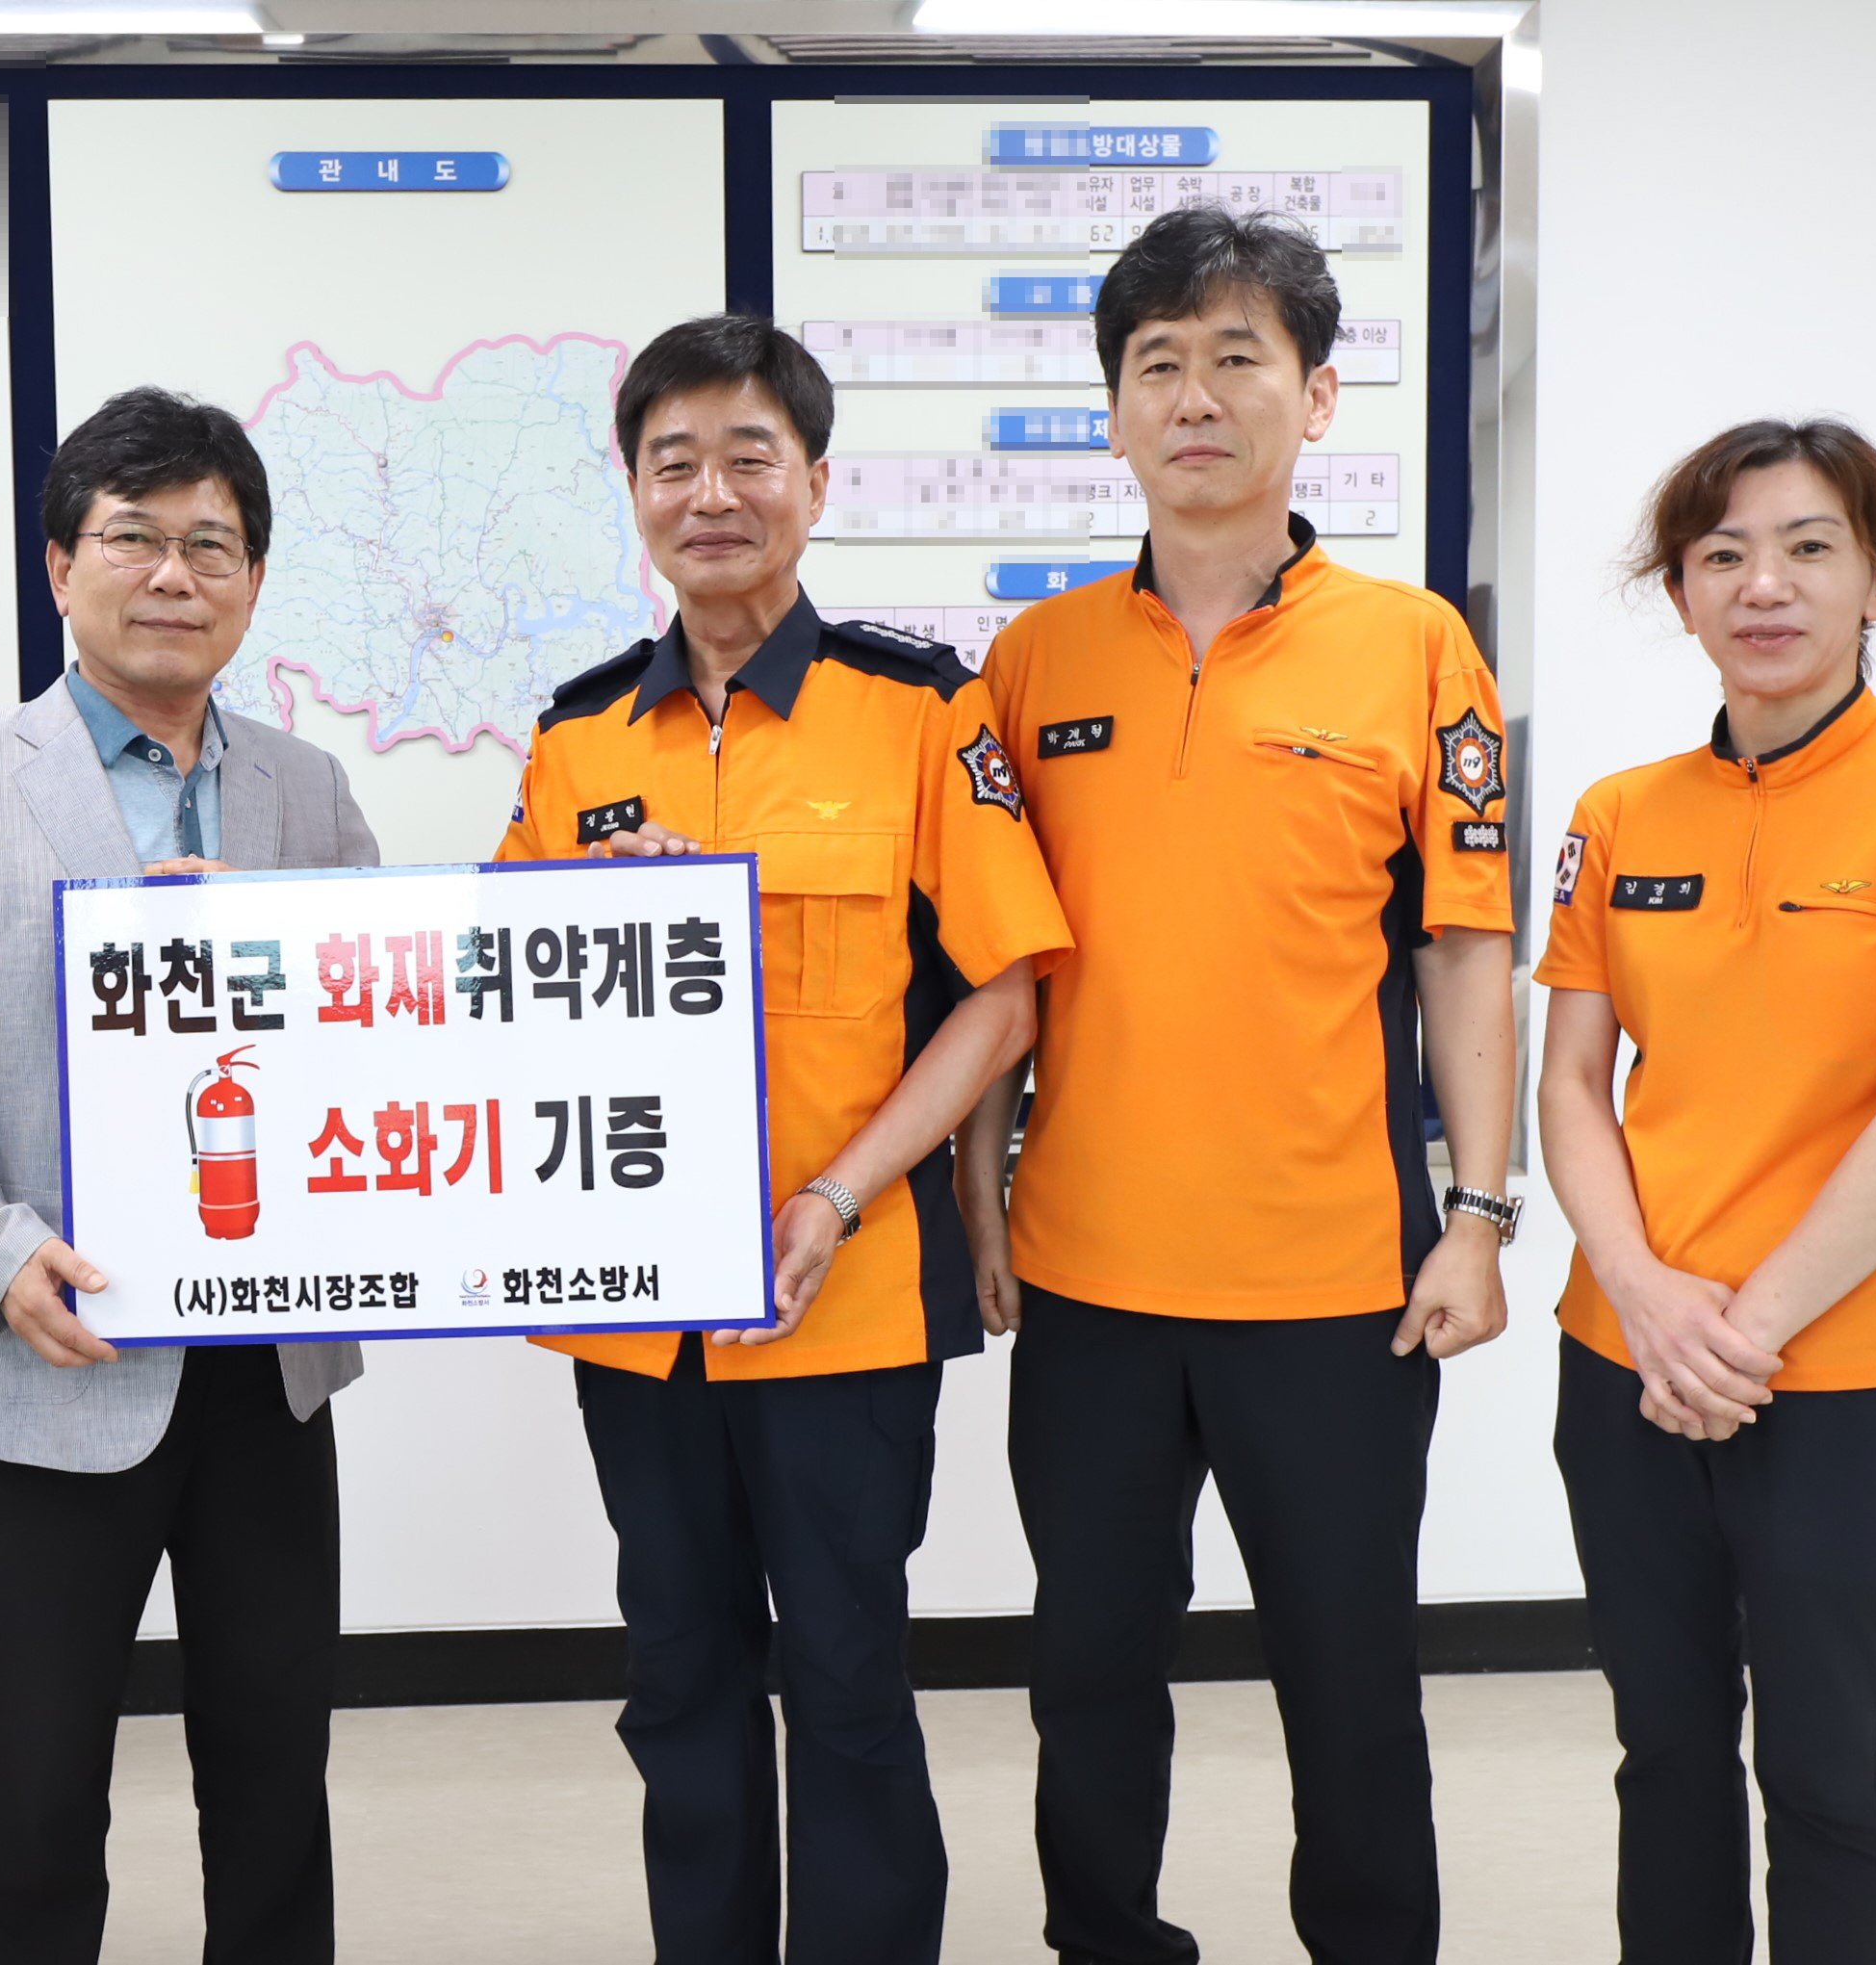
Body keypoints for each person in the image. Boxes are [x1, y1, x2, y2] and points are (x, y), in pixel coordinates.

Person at [958, 204, 1521, 1965]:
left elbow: (1465, 951)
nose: (1193, 397)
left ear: (1315, 394)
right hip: (1089, 1279)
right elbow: (998, 970)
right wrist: (978, 1197)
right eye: (1157, 365)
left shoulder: (1415, 648)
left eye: (1234, 358)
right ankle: (1102, 1940)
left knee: (1349, 1684)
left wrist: (1479, 1213)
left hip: (1335, 1282)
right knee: (1085, 1675)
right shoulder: (1031, 663)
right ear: (1114, 412)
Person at [496, 314, 1073, 1965]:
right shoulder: (578, 739)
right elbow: (487, 991)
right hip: (635, 1310)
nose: (710, 493)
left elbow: (1001, 998)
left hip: (848, 1291)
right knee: (675, 1668)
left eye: (749, 456)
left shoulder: (918, 710)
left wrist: (835, 1191)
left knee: (845, 1669)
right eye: (671, 460)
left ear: (815, 484)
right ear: (632, 490)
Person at [0, 386, 378, 1965]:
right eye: (134, 537)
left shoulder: (305, 787)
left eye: (212, 544)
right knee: (37, 1775)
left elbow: (374, 1032)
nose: (173, 575)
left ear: (253, 580)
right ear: (62, 563)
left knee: (273, 1754)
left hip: (272, 1363)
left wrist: (268, 967)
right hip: (57, 1353)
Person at [1536, 421, 1876, 1965]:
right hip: (1628, 1361)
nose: (1760, 585)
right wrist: (1647, 1300)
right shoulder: (1616, 813)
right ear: (1679, 593)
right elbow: (1568, 1085)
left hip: (1847, 1370)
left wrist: (1740, 1329)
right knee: (1663, 1754)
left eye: (1806, 547)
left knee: (1826, 1771)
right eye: (1720, 554)